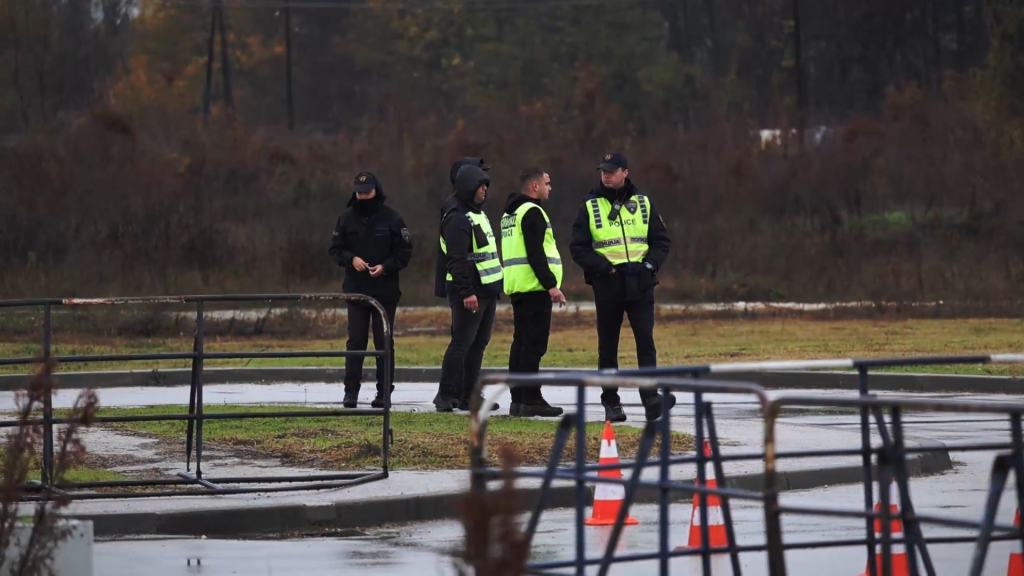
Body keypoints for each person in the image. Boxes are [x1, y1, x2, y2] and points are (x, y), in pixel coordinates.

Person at [569, 152, 675, 422]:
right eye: (603, 170)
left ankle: (651, 399)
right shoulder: (590, 205)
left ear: (625, 172)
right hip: (608, 284)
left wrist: (650, 266)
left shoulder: (643, 202)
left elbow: (661, 240)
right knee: (608, 346)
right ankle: (611, 402)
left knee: (645, 342)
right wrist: (605, 269)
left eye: (612, 170)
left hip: (640, 282)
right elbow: (578, 248)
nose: (606, 174)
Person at [329, 171, 413, 409]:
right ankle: (351, 393)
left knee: (383, 343)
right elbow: (335, 250)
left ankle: (384, 393)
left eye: (367, 192)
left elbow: (405, 252)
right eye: (359, 192)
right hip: (356, 291)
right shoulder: (346, 219)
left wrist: (385, 267)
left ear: (377, 191)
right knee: (355, 343)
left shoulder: (393, 219)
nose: (363, 196)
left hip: (385, 291)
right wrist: (351, 258)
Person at [434, 164, 503, 412]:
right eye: (480, 185)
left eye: (486, 185)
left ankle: (469, 396)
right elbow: (457, 259)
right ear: (467, 187)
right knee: (461, 343)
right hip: (470, 291)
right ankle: (445, 395)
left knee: (478, 344)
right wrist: (466, 292)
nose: (485, 189)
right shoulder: (456, 217)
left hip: (486, 289)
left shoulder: (476, 213)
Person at [500, 167, 565, 418]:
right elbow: (535, 253)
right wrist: (551, 286)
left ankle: (518, 399)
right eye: (547, 183)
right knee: (534, 345)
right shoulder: (533, 212)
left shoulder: (511, 213)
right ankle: (531, 399)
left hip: (518, 286)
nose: (550, 188)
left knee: (521, 343)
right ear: (535, 187)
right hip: (534, 287)